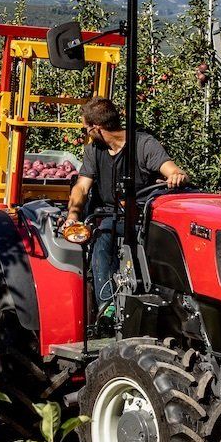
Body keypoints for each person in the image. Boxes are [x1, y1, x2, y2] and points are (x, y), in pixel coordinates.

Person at [64, 97, 188, 323]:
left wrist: (175, 176)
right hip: (109, 215)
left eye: (86, 128)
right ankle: (107, 308)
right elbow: (82, 186)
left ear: (97, 128)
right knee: (102, 237)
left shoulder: (143, 145)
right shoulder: (94, 151)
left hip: (142, 215)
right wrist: (73, 215)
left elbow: (171, 169)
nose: (86, 133)